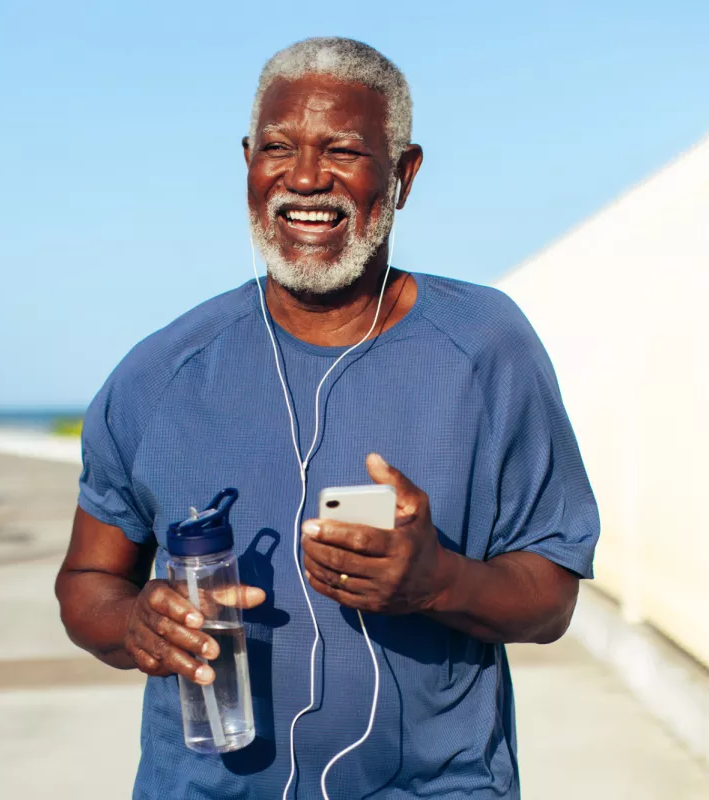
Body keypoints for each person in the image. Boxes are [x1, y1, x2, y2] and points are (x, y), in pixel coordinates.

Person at [56, 37, 600, 799]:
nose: (305, 179)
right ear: (248, 161)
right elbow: (86, 583)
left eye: (342, 150)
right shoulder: (159, 374)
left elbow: (551, 599)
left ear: (403, 175)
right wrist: (132, 625)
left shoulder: (487, 348)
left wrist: (437, 581)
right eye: (279, 147)